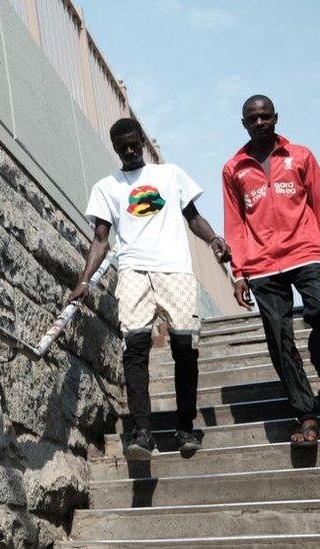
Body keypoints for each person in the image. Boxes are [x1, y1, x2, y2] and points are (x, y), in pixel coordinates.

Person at [66, 118, 231, 461]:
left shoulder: (170, 175)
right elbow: (100, 240)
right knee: (135, 348)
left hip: (175, 269)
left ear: (141, 140)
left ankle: (185, 426)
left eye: (133, 144)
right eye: (121, 147)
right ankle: (143, 432)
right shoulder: (106, 187)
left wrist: (214, 238)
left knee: (185, 347)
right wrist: (83, 282)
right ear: (113, 147)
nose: (128, 151)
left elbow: (193, 216)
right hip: (133, 271)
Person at [223, 94, 320, 447]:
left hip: (306, 252)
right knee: (279, 339)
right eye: (253, 119)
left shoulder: (301, 156)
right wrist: (238, 271)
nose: (260, 123)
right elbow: (234, 224)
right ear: (244, 124)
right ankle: (307, 413)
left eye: (265, 116)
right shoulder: (234, 169)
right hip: (262, 264)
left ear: (275, 118)